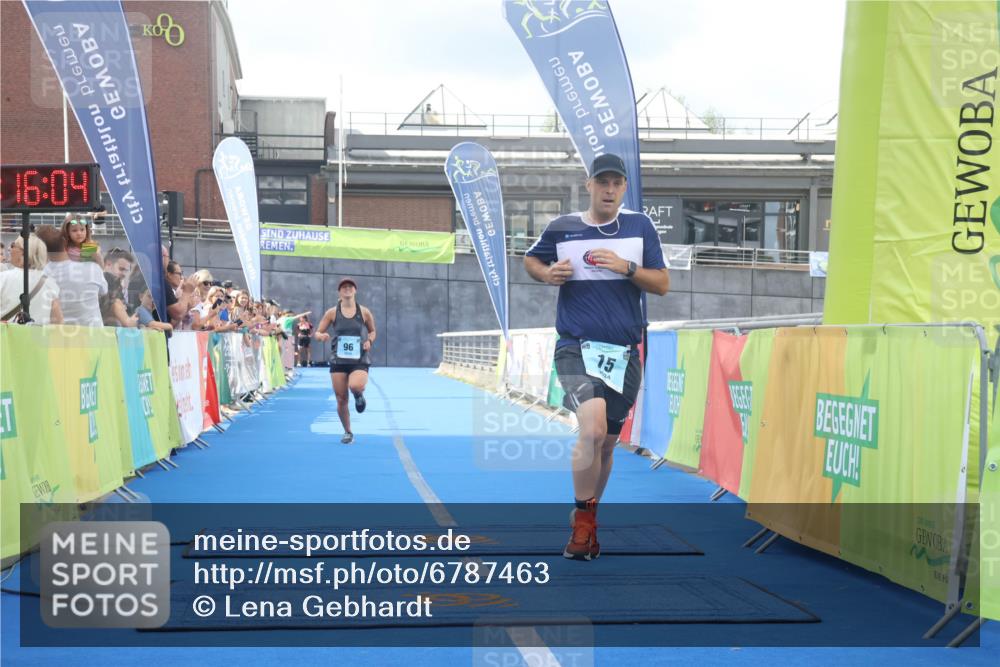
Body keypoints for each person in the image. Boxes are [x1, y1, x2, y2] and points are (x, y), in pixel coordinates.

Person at [524, 153, 669, 561]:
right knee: (591, 429)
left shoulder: (640, 228)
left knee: (606, 443)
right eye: (602, 182)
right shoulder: (563, 227)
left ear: (624, 188)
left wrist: (627, 267)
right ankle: (583, 528)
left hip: (624, 352)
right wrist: (546, 273)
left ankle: (587, 514)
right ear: (588, 185)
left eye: (616, 183)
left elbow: (662, 284)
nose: (609, 190)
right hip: (575, 346)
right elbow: (531, 259)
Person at [314, 278, 377, 444]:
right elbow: (318, 332)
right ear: (339, 292)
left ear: (355, 290)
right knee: (341, 399)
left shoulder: (364, 312)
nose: (347, 289)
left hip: (359, 358)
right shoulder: (332, 312)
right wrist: (321, 336)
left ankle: (358, 394)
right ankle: (348, 431)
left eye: (350, 287)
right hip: (339, 360)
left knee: (355, 385)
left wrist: (369, 341)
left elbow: (372, 331)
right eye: (344, 287)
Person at [38, 225, 107, 327]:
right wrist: (99, 260)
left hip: (60, 334)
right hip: (93, 333)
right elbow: (104, 291)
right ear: (64, 241)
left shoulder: (42, 276)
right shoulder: (93, 268)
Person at [0, 233, 63, 324]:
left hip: (6, 333)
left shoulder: (3, 278)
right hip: (37, 333)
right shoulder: (50, 283)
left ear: (23, 252)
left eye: (13, 245)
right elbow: (58, 322)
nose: (9, 249)